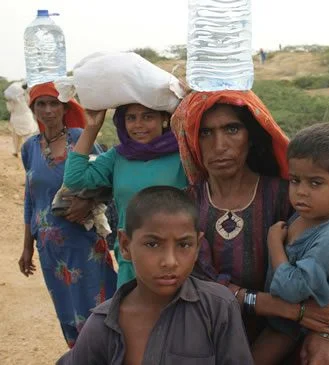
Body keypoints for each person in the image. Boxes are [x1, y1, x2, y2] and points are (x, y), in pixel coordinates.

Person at [171, 90, 329, 364]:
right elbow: (197, 283)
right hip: (209, 337)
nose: (219, 145)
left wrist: (327, 333)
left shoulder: (290, 195)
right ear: (191, 139)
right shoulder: (184, 206)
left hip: (293, 340)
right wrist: (286, 308)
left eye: (232, 129)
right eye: (205, 133)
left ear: (252, 136)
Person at [57, 186, 253, 364]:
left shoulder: (217, 308)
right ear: (125, 245)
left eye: (184, 245)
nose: (170, 261)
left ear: (197, 246)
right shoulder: (103, 325)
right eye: (152, 244)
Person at [252, 123, 329, 364]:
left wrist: (274, 243)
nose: (301, 192)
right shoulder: (318, 212)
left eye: (315, 183)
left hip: (293, 326)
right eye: (295, 180)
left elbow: (291, 290)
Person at [18, 82, 117, 348]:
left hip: (83, 243)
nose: (48, 110)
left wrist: (87, 200)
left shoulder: (80, 139)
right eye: (41, 104)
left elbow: (108, 180)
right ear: (33, 109)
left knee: (99, 309)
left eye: (54, 104)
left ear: (64, 108)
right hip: (50, 250)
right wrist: (27, 246)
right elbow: (31, 199)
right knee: (67, 313)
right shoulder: (29, 148)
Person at [63, 103, 188, 288]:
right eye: (131, 118)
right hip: (131, 260)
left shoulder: (183, 155)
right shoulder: (118, 156)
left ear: (164, 119)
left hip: (174, 260)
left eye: (147, 117)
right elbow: (75, 178)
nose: (138, 125)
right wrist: (91, 128)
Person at [4, 82, 38, 157]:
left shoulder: (12, 101)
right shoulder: (27, 96)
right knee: (28, 136)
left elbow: (10, 109)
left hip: (16, 119)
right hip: (26, 118)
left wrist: (9, 102)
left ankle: (16, 151)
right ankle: (31, 152)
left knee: (16, 137)